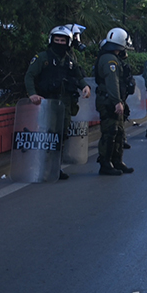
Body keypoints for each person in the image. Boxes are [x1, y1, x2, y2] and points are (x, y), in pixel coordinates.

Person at [24, 26, 91, 180]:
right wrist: (32, 94)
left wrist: (85, 87)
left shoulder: (69, 60)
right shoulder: (42, 58)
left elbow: (78, 77)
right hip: (48, 103)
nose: (60, 43)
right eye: (57, 40)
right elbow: (29, 76)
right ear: (51, 40)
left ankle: (55, 167)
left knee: (61, 135)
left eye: (63, 40)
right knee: (48, 135)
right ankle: (44, 167)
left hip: (65, 104)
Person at [94, 28, 134, 176]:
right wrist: (117, 102)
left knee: (119, 132)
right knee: (110, 132)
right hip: (108, 101)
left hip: (113, 99)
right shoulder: (109, 60)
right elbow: (112, 82)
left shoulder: (113, 58)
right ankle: (105, 163)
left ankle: (117, 161)